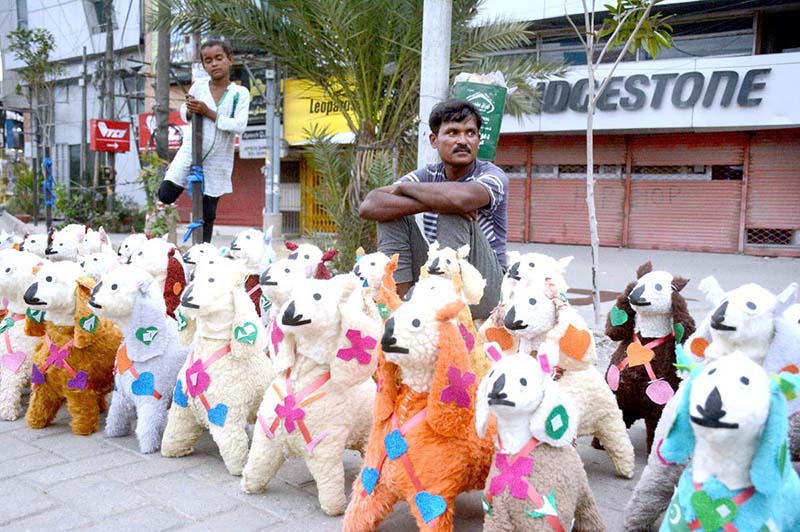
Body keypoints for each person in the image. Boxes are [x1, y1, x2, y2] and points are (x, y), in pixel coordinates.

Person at [359, 99, 508, 320]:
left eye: (471, 133)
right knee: (390, 214)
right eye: (452, 133)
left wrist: (407, 190)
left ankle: (447, 304)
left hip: (485, 285)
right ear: (434, 140)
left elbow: (460, 201)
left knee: (453, 208)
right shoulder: (428, 175)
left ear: (478, 139)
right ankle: (399, 303)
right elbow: (370, 205)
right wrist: (428, 197)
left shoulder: (493, 176)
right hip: (436, 271)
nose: (463, 140)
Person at [158, 38, 251, 243]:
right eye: (208, 61)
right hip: (191, 150)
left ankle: (202, 256)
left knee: (207, 214)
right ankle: (191, 183)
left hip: (219, 159)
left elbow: (239, 125)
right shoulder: (199, 86)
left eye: (219, 58)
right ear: (204, 65)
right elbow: (184, 112)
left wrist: (208, 112)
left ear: (229, 59)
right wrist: (191, 111)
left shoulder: (239, 93)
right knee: (165, 193)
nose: (214, 64)